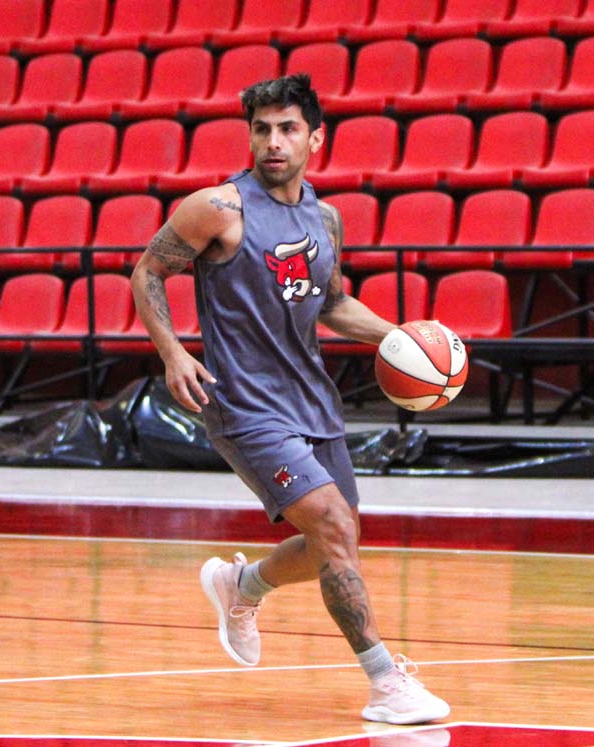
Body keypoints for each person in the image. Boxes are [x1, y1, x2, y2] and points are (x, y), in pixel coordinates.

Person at [129, 73, 450, 724]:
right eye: (261, 129)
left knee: (339, 537)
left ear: (315, 138)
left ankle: (240, 585)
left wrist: (403, 340)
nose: (273, 142)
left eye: (288, 129)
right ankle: (387, 681)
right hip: (243, 402)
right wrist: (172, 351)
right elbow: (147, 271)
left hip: (312, 397)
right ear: (250, 136)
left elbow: (331, 302)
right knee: (333, 525)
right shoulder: (219, 208)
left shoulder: (323, 217)